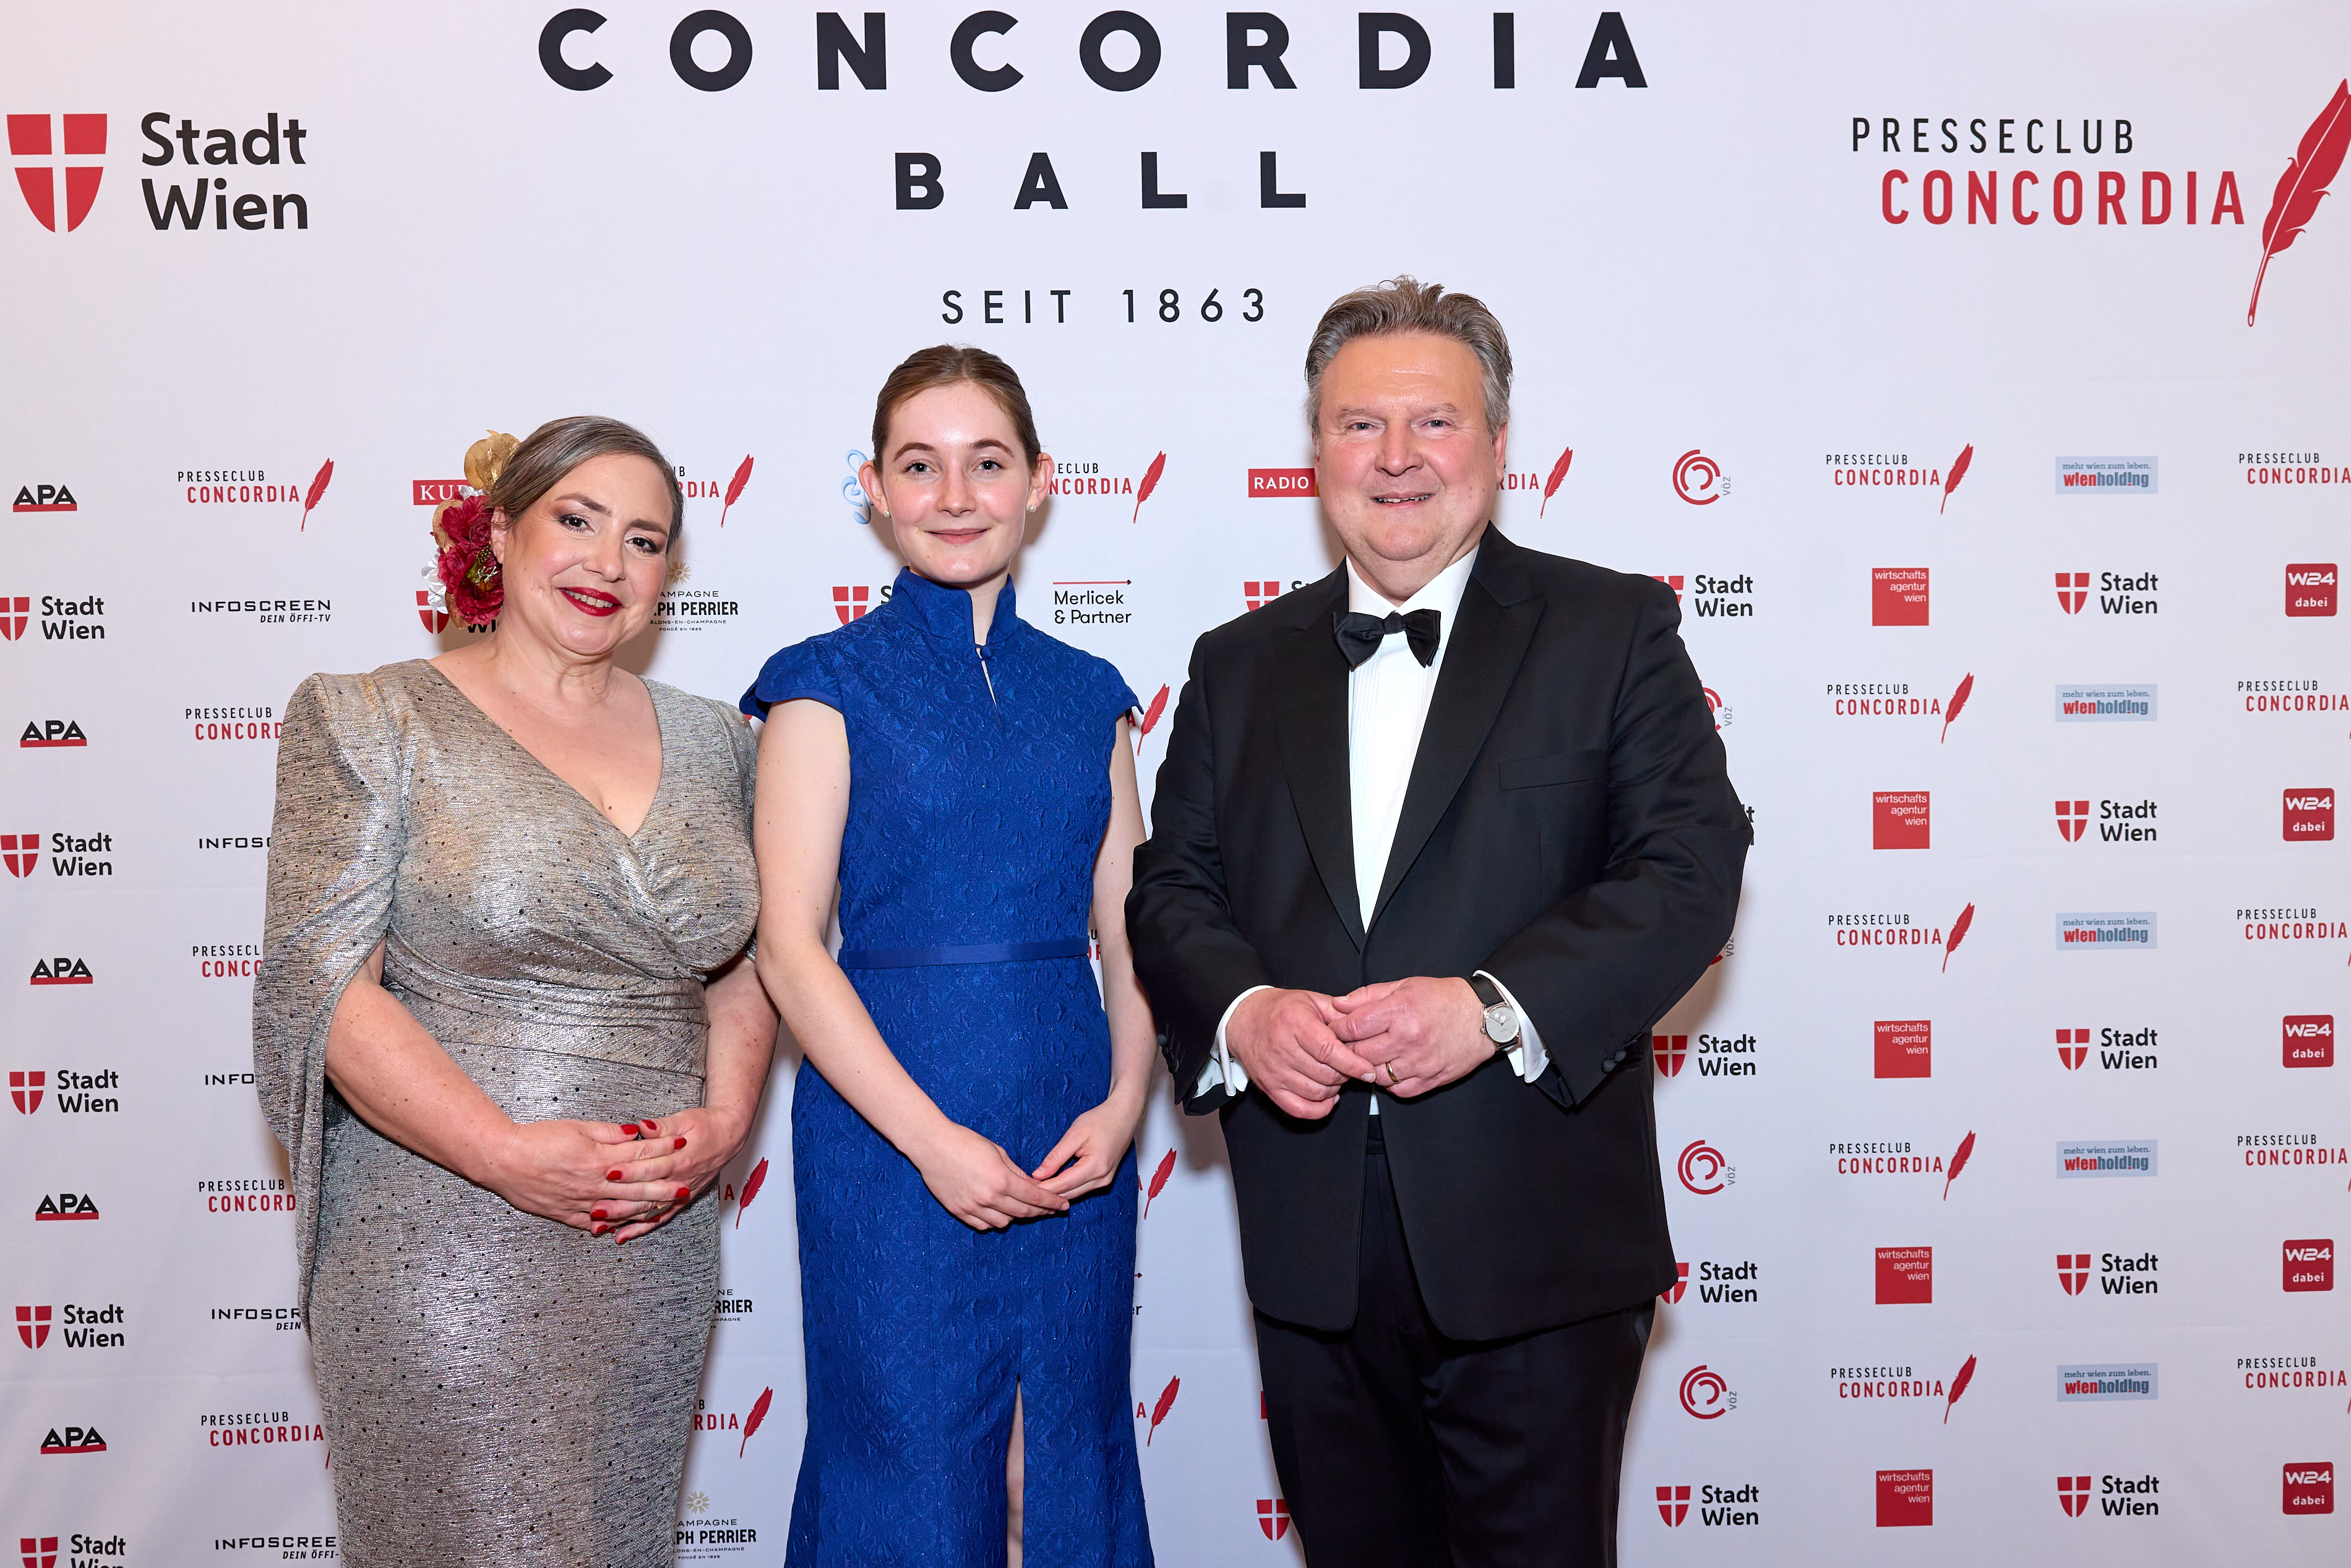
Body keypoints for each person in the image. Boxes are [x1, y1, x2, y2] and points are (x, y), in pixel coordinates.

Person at [1128, 278, 1750, 1567]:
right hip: (1312, 1253)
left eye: (1434, 421)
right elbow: (1171, 888)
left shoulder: (1612, 627)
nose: (1397, 457)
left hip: (1538, 1245)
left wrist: (1491, 1007)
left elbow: (1689, 866)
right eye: (1360, 424)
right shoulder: (1237, 664)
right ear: (1316, 452)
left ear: (1499, 444)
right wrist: (1247, 1013)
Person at [253, 416, 778, 1567]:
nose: (608, 562)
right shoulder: (371, 717)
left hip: (652, 1241)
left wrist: (728, 1119)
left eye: (644, 540)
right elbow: (326, 985)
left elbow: (742, 965)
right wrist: (503, 1154)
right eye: (576, 521)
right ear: (500, 532)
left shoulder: (719, 744)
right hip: (445, 1238)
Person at [747, 346, 1156, 1566]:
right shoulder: (821, 683)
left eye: (988, 462)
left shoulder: (1092, 692)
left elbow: (1133, 922)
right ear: (875, 488)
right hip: (888, 1131)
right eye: (920, 466)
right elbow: (788, 947)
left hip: (1074, 1124)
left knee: (1060, 1457)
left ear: (1039, 480)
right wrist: (931, 1141)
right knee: (910, 1465)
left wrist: (1127, 1102)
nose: (957, 495)